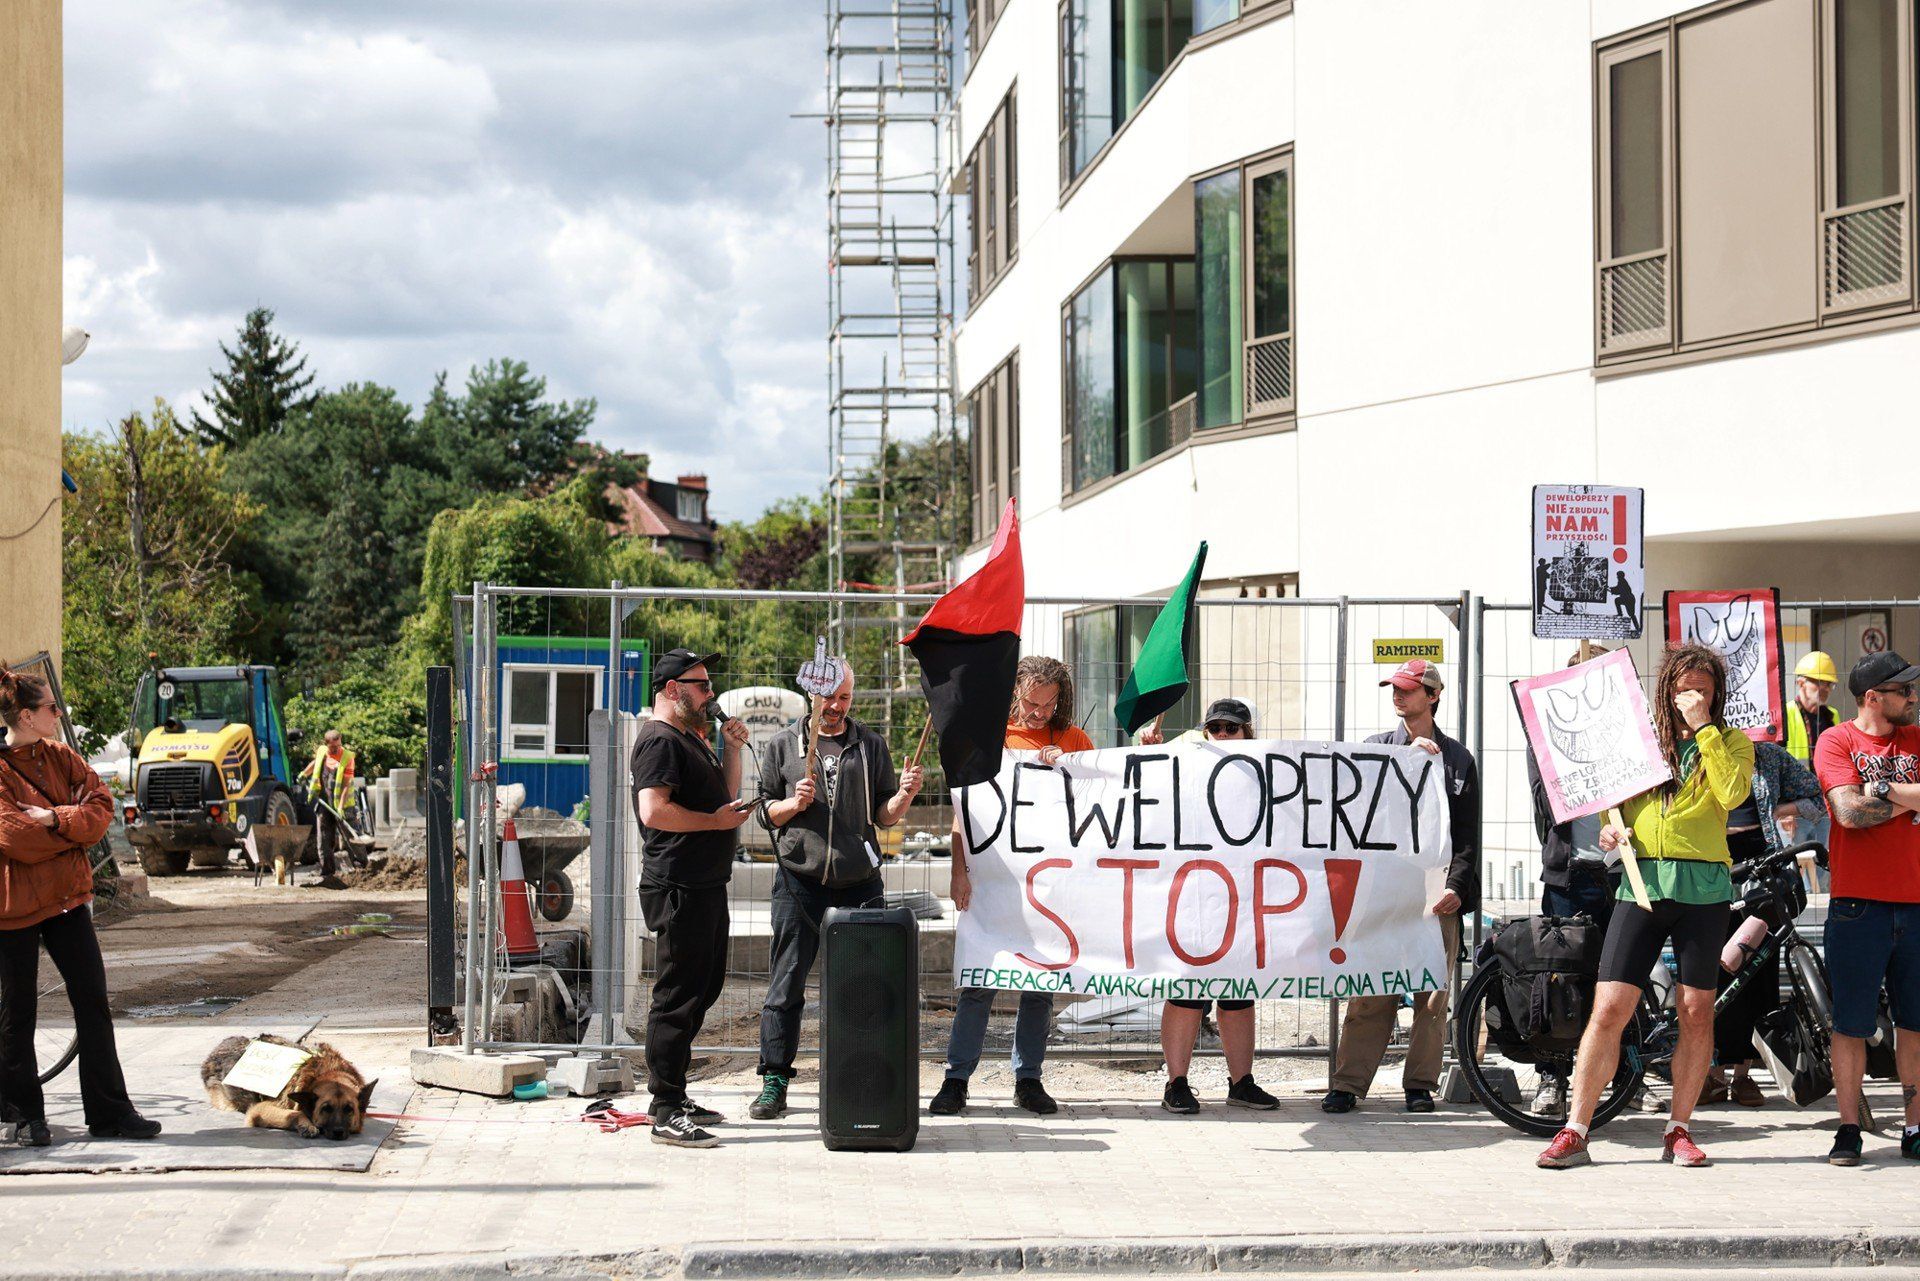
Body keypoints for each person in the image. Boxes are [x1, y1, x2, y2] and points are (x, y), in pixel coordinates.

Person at [1537, 643, 1753, 1170]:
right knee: (1610, 1006)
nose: (1692, 697)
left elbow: (1731, 793)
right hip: (1641, 882)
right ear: (1665, 690)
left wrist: (1703, 728)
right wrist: (1613, 830)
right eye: (1684, 689)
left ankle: (1679, 1128)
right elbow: (1617, 806)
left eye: (1703, 689)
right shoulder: (1641, 741)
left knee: (1697, 1010)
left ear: (1716, 694)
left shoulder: (1731, 742)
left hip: (1704, 889)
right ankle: (1576, 1128)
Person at [747, 661, 923, 1120]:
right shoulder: (784, 744)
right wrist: (792, 803)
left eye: (844, 697)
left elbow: (884, 816)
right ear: (811, 694)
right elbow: (763, 813)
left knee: (863, 990)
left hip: (859, 885)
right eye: (828, 697)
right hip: (798, 883)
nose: (835, 706)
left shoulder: (869, 745)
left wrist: (903, 795)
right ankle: (774, 1082)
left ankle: (860, 1079)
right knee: (786, 986)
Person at [0, 666, 160, 1147]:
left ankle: (111, 1114)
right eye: (52, 707)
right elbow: (15, 837)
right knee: (17, 1012)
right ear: (27, 716)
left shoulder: (62, 756)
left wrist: (55, 817)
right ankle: (24, 1115)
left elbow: (102, 807)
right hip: (15, 908)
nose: (59, 712)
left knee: (93, 1004)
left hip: (67, 900)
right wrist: (71, 835)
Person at [931, 656, 1093, 1118]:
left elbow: (1097, 800)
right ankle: (956, 1081)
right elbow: (966, 811)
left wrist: (1069, 769)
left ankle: (1028, 1080)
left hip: (1051, 883)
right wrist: (958, 870)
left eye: (1050, 703)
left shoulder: (1073, 740)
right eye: (1031, 701)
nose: (1040, 712)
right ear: (1015, 691)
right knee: (980, 982)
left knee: (1041, 985)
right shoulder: (990, 737)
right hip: (994, 881)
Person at [1323, 659, 1479, 1115]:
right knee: (1370, 987)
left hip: (1437, 895)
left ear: (1432, 696)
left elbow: (1466, 837)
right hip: (1383, 893)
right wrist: (1405, 766)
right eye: (1394, 688)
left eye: (1409, 689)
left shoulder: (1458, 759)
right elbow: (1354, 816)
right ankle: (1348, 1085)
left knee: (1432, 997)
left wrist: (1457, 887)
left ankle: (1420, 1086)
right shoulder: (1375, 749)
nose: (1398, 695)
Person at [629, 648, 754, 1148]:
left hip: (704, 882)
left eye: (709, 684)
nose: (711, 693)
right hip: (678, 885)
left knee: (705, 988)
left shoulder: (690, 738)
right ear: (671, 689)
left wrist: (732, 750)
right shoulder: (659, 741)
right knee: (677, 996)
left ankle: (676, 1093)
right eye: (701, 685)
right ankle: (663, 1107)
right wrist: (713, 823)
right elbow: (653, 812)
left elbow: (722, 797)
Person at [1139, 697, 1280, 1114]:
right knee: (1187, 990)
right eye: (1214, 728)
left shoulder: (1267, 772)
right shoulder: (1188, 762)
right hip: (1193, 893)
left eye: (1231, 729)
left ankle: (1242, 1082)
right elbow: (1150, 794)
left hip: (1243, 895)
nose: (1222, 736)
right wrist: (1150, 754)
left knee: (1238, 993)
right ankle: (1176, 1084)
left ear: (1247, 733)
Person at [1811, 650, 1920, 1167]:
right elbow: (1849, 812)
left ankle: (1915, 1126)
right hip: (1858, 906)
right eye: (1904, 691)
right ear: (1873, 697)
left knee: (1915, 1022)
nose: (1913, 698)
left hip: (1917, 904)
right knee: (1850, 1023)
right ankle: (1848, 1128)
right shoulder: (1837, 740)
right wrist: (1910, 798)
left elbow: (1862, 801)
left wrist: (1880, 788)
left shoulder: (1918, 738)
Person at [1703, 738, 1821, 1109]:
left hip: (1761, 866)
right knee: (1712, 969)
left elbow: (1817, 799)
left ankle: (1744, 1075)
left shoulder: (1768, 755)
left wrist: (1775, 809)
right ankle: (1712, 1073)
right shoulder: (1699, 749)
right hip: (1708, 864)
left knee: (1758, 968)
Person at [1527, 647, 1617, 1120]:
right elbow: (1546, 802)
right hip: (1568, 875)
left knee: (1620, 979)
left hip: (1620, 875)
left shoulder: (1631, 734)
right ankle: (1552, 1079)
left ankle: (1621, 1075)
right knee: (1558, 977)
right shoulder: (1546, 736)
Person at [1786, 651, 1839, 861]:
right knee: (1795, 865)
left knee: (1825, 864)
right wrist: (1786, 809)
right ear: (1801, 683)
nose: (1824, 688)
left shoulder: (1831, 715)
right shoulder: (1787, 712)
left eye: (1828, 684)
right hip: (1796, 805)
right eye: (1818, 682)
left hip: (1824, 802)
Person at [298, 729, 357, 884]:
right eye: (332, 747)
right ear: (327, 744)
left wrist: (341, 808)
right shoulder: (322, 752)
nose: (335, 750)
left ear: (340, 741)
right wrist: (304, 774)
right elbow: (315, 764)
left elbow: (345, 785)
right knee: (323, 838)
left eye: (337, 746)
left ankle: (361, 868)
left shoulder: (347, 757)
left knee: (351, 837)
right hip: (324, 803)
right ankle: (327, 872)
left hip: (344, 806)